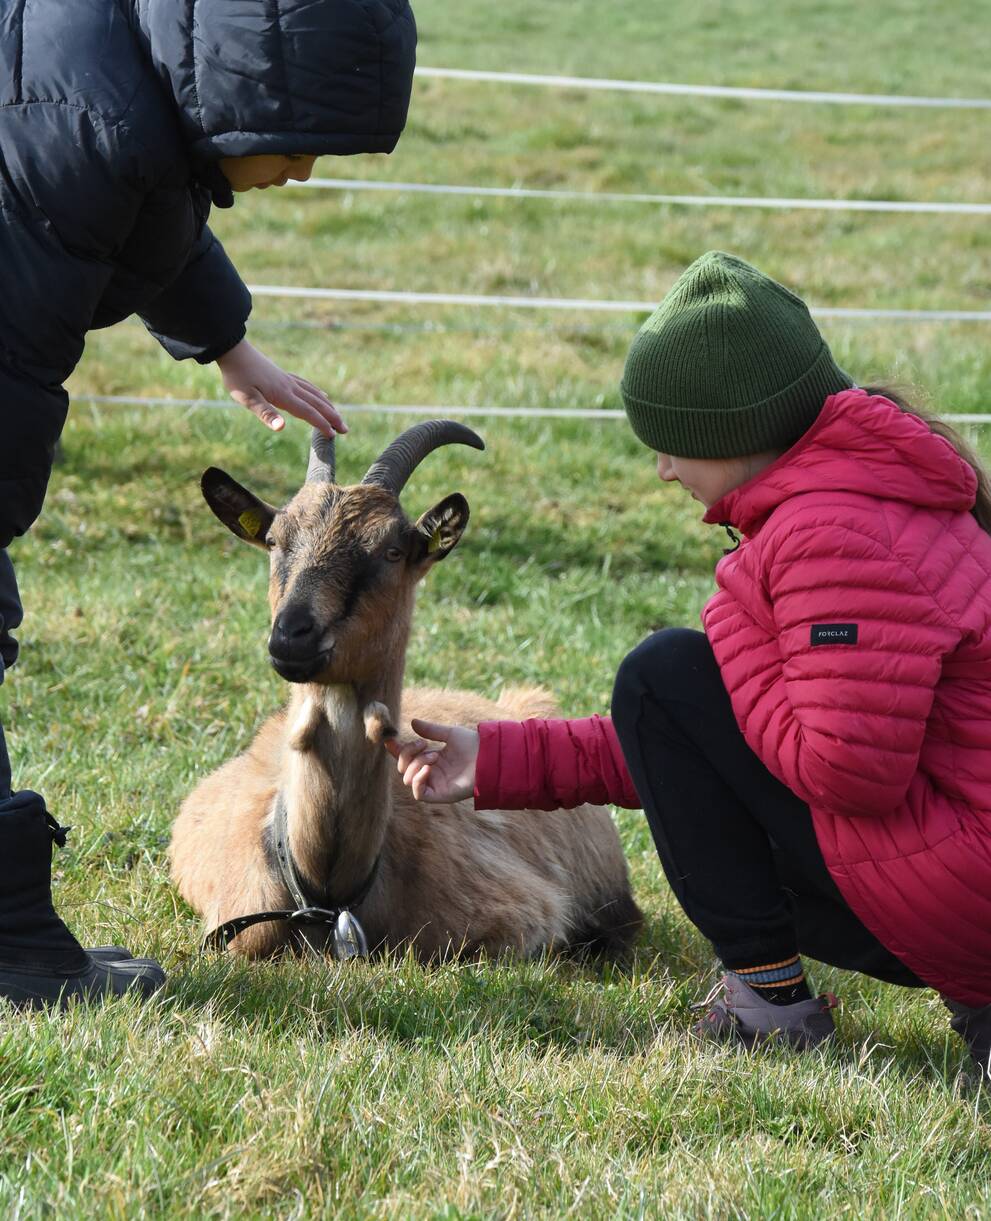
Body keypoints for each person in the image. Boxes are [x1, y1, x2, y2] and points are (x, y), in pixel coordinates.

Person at [388, 251, 991, 1078]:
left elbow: (845, 771)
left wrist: (734, 628)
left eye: (674, 444)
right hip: (961, 863)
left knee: (664, 670)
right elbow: (708, 748)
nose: (664, 469)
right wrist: (497, 758)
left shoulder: (832, 534)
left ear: (734, 431)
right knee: (670, 687)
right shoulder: (861, 497)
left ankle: (772, 1007)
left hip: (965, 891)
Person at [0, 0, 416, 1008]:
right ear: (238, 90)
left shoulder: (118, 89)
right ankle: (9, 949)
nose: (303, 173)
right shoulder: (94, 126)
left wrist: (226, 343)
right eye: (300, 146)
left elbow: (147, 206)